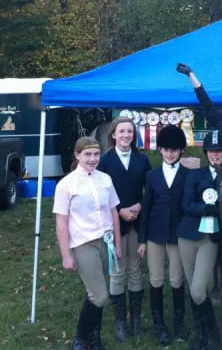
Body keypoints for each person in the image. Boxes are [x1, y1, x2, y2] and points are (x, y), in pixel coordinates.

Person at [53, 136, 122, 350]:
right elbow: (61, 222)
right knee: (100, 294)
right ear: (77, 155)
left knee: (94, 292)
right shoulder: (66, 184)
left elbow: (114, 212)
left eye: (96, 154)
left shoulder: (105, 179)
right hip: (83, 243)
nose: (92, 159)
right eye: (87, 154)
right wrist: (66, 255)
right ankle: (81, 338)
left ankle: (95, 338)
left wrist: (118, 244)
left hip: (106, 242)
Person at [97, 117, 151, 342]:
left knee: (135, 269)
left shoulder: (142, 160)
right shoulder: (104, 161)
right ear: (113, 135)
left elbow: (151, 190)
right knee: (117, 271)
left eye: (130, 131)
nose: (126, 135)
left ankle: (136, 320)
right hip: (114, 224)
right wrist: (118, 210)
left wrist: (139, 205)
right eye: (122, 131)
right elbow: (100, 194)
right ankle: (120, 320)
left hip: (137, 222)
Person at [177, 129, 222, 350]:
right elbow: (186, 204)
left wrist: (218, 211)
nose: (215, 155)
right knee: (194, 290)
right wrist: (205, 208)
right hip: (188, 235)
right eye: (211, 150)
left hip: (211, 238)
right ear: (206, 152)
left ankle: (213, 333)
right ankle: (202, 334)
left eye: (219, 151)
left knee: (199, 289)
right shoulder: (194, 175)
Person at [137, 125, 189, 346]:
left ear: (181, 151)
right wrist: (141, 239)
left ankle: (179, 321)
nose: (170, 154)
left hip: (178, 235)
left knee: (177, 279)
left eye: (174, 150)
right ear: (160, 151)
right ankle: (159, 324)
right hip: (155, 234)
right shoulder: (152, 175)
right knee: (156, 278)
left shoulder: (189, 175)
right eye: (166, 150)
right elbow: (146, 208)